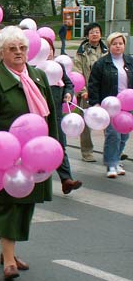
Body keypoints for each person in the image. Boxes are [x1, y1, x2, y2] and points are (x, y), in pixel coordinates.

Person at [0, 26, 57, 281]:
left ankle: (8, 252)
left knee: (25, 205)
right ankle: (8, 259)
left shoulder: (38, 77)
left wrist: (55, 150)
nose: (19, 53)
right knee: (7, 205)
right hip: (7, 157)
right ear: (2, 53)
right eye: (12, 49)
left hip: (35, 156)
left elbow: (50, 117)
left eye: (22, 48)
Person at [87, 32, 133, 178]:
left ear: (124, 45)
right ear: (109, 46)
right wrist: (95, 103)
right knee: (113, 135)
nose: (118, 46)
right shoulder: (102, 64)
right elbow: (93, 84)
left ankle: (117, 159)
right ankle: (111, 164)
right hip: (110, 105)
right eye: (114, 43)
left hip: (127, 106)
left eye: (120, 43)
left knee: (124, 135)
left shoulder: (130, 62)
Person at [46, 40, 82, 193]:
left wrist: (68, 93)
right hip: (37, 116)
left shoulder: (58, 67)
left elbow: (69, 84)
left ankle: (66, 179)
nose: (48, 53)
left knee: (60, 146)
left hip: (57, 115)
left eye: (50, 49)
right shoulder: (32, 68)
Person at [73, 23, 107, 162]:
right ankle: (87, 151)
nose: (95, 34)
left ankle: (111, 149)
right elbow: (77, 72)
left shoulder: (106, 50)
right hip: (87, 92)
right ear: (87, 35)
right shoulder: (81, 52)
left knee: (108, 122)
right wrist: (83, 90)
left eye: (97, 32)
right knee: (86, 123)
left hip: (104, 92)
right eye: (92, 32)